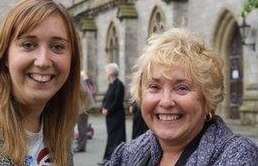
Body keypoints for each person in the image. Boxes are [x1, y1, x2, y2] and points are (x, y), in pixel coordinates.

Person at [0, 0, 81, 165]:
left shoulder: (58, 128)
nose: (43, 61)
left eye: (57, 47)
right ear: (4, 56)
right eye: (28, 45)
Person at [106, 28, 258, 166]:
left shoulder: (237, 156)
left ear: (208, 99)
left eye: (182, 88)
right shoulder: (128, 154)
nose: (166, 102)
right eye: (154, 87)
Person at [98, 63, 126, 165]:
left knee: (117, 137)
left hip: (117, 116)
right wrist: (103, 107)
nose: (105, 73)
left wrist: (108, 109)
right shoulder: (111, 84)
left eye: (106, 71)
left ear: (111, 72)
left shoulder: (119, 84)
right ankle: (108, 158)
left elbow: (117, 101)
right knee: (111, 137)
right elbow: (106, 99)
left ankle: (115, 159)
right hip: (110, 117)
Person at [73, 70, 95, 153]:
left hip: (83, 108)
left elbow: (84, 92)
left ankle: (81, 146)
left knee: (82, 127)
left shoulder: (77, 80)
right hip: (83, 106)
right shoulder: (77, 79)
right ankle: (81, 145)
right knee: (82, 127)